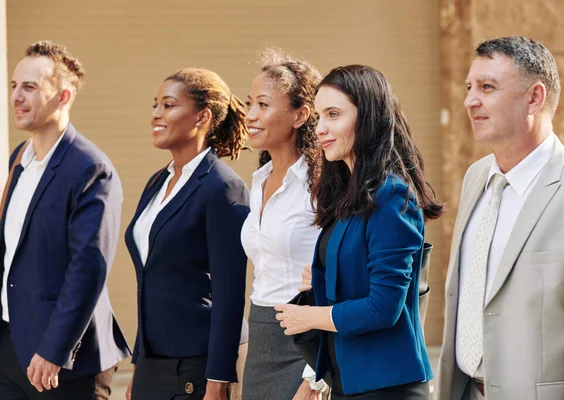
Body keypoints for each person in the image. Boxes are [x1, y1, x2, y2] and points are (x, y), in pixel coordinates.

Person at [436, 36, 564, 400]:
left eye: (487, 87)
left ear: (535, 98)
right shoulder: (476, 177)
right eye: (469, 87)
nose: (469, 101)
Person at [275, 64, 444, 399]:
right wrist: (322, 279)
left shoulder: (392, 196)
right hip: (348, 382)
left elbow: (384, 308)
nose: (320, 128)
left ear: (368, 118)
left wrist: (308, 316)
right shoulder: (348, 194)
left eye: (333, 114)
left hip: (387, 386)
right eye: (319, 117)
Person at [0, 41, 130, 399]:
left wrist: (54, 350)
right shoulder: (19, 160)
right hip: (10, 350)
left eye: (30, 87)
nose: (16, 97)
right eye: (14, 86)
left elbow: (87, 268)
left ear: (63, 97)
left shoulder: (90, 169)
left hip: (63, 363)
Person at [124, 68, 250, 400]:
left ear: (202, 117)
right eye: (155, 105)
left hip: (196, 365)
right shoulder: (157, 182)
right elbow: (150, 281)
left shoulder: (223, 187)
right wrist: (139, 366)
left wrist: (218, 379)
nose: (156, 114)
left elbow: (229, 293)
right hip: (152, 362)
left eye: (168, 105)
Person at [241, 48, 326, 400]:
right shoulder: (258, 181)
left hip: (306, 341)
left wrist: (314, 378)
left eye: (263, 104)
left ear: (300, 115)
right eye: (249, 104)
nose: (250, 115)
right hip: (261, 336)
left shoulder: (322, 185)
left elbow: (337, 281)